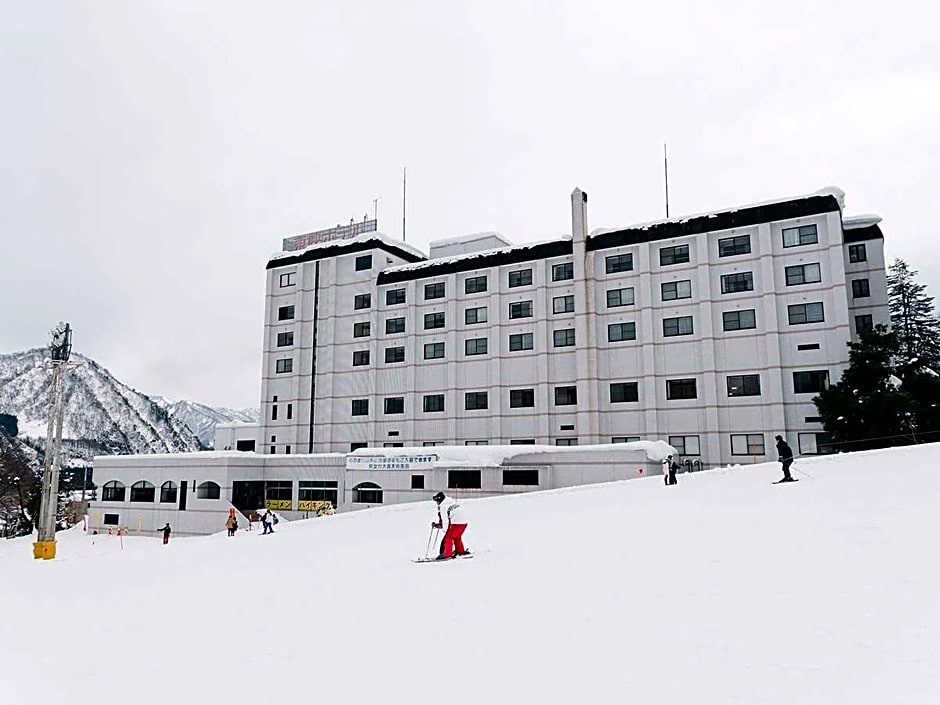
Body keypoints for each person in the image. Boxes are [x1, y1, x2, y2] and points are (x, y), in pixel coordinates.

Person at [431, 491, 469, 560]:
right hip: (464, 522)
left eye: (436, 501)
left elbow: (445, 521)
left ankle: (447, 554)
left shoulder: (443, 506)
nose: (436, 503)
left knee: (449, 538)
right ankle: (460, 551)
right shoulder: (450, 501)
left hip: (457, 522)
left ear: (439, 500)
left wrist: (446, 531)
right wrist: (439, 525)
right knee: (457, 537)